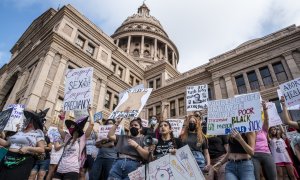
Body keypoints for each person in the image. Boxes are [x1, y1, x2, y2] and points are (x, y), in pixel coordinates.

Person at [0, 109, 47, 180]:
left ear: (32, 121)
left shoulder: (38, 132)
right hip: (7, 158)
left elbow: (42, 149)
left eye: (28, 118)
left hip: (23, 160)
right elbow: (6, 143)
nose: (25, 120)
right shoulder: (19, 131)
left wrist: (28, 148)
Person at [53, 106, 94, 180]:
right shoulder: (67, 137)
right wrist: (62, 117)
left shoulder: (82, 138)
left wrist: (90, 112)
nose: (71, 128)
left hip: (72, 170)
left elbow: (91, 125)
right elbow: (59, 128)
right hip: (60, 168)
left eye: (73, 127)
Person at [180, 115, 212, 179]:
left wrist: (208, 164)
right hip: (186, 159)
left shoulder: (202, 137)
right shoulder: (182, 136)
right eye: (190, 122)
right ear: (188, 124)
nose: (192, 123)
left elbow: (206, 153)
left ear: (197, 124)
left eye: (193, 122)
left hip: (199, 160)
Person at [251, 101, 277, 180]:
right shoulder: (249, 132)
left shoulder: (264, 129)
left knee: (273, 177)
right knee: (256, 177)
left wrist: (265, 109)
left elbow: (266, 119)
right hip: (254, 156)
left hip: (266, 154)